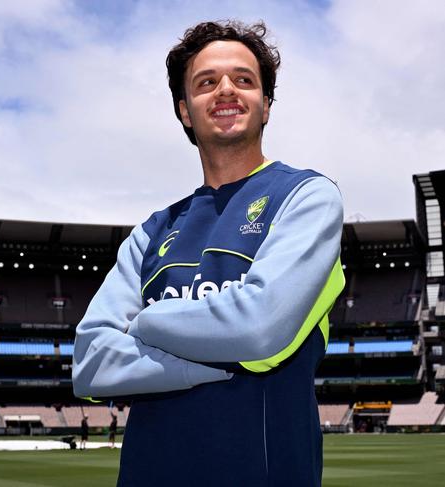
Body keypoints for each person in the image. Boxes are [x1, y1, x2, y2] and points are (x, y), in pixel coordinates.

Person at [72, 19, 344, 487]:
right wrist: (210, 357)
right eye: (206, 82)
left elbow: (259, 328)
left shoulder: (307, 196)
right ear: (185, 110)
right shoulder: (152, 231)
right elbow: (91, 362)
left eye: (244, 80)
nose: (225, 90)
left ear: (266, 107)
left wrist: (147, 324)